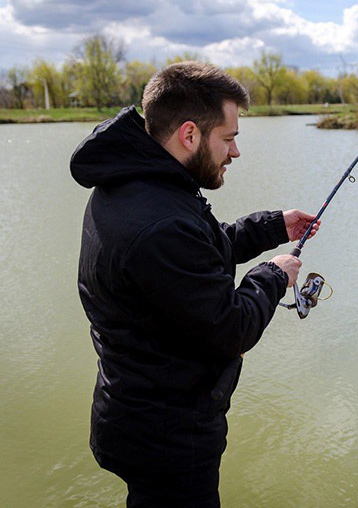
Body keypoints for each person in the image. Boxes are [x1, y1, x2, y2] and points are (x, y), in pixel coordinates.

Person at [71, 61, 320, 507]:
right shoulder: (158, 219)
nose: (236, 152)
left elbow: (195, 254)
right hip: (167, 439)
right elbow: (230, 328)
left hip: (141, 419)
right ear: (189, 135)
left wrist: (271, 227)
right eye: (229, 138)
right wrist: (274, 274)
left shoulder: (137, 184)